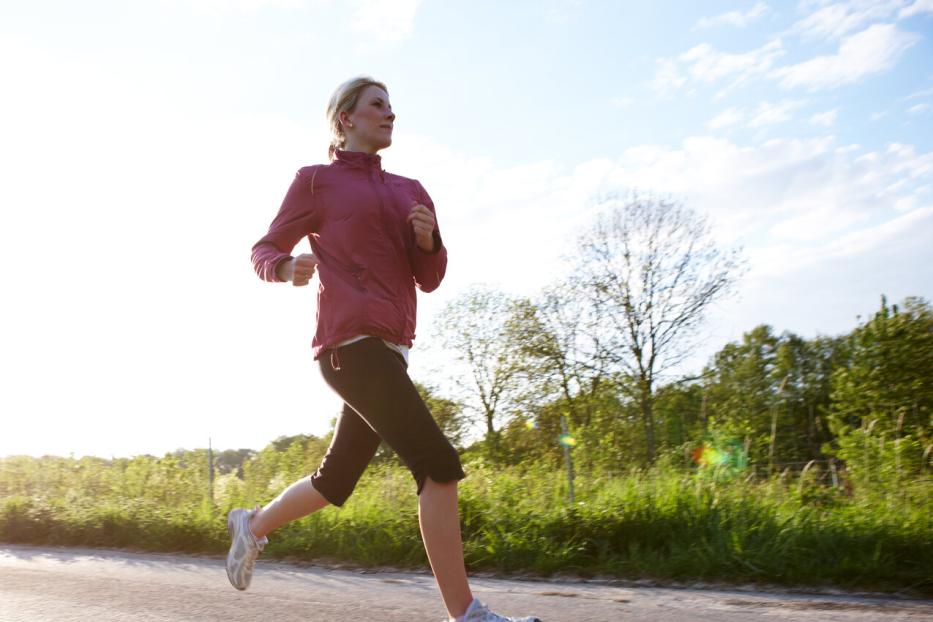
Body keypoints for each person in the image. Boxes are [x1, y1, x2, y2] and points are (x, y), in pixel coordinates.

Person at [230, 76, 542, 622]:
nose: (390, 114)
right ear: (345, 118)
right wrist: (285, 267)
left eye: (393, 107)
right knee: (438, 466)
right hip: (348, 345)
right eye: (378, 105)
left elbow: (430, 278)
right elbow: (264, 247)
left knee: (336, 478)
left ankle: (252, 526)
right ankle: (466, 614)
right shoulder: (315, 182)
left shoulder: (411, 190)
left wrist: (428, 240)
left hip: (392, 349)